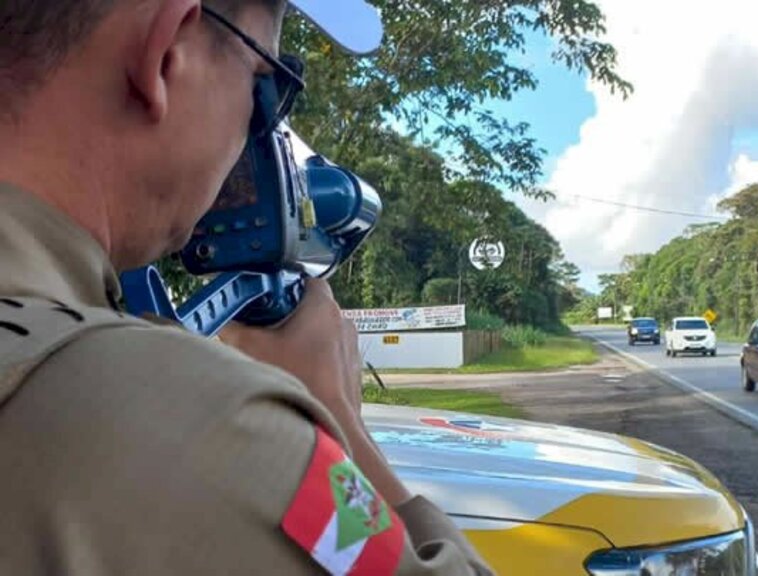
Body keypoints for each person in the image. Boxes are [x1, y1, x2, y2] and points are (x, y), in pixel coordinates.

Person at [0, 1, 493, 574]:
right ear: (167, 54)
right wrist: (336, 420)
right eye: (267, 83)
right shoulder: (206, 421)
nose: (258, 129)